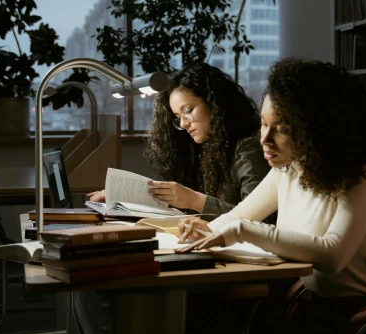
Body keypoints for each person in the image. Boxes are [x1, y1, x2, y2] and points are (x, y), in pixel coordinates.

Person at [178, 58, 366, 334]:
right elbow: (240, 215)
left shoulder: (360, 172)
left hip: (365, 327)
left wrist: (242, 231)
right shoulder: (287, 169)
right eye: (263, 124)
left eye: (282, 128)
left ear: (315, 127)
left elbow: (334, 255)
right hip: (312, 318)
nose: (266, 139)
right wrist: (203, 227)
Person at [88, 62, 270, 218]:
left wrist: (194, 200)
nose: (183, 123)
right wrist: (124, 196)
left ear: (215, 103)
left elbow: (260, 220)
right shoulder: (201, 148)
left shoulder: (247, 149)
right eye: (177, 116)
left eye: (188, 111)